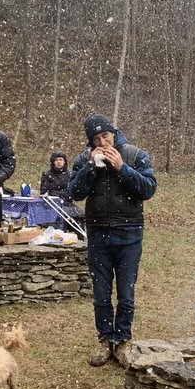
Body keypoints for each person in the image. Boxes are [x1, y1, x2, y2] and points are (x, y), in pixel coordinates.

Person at [67, 112, 157, 369]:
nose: (102, 143)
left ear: (114, 134)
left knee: (126, 294)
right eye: (96, 139)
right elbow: (74, 192)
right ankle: (105, 340)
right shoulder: (84, 159)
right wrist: (90, 168)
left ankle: (122, 341)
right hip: (98, 235)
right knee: (101, 294)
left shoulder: (135, 155)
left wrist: (122, 168)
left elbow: (148, 189)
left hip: (129, 235)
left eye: (105, 136)